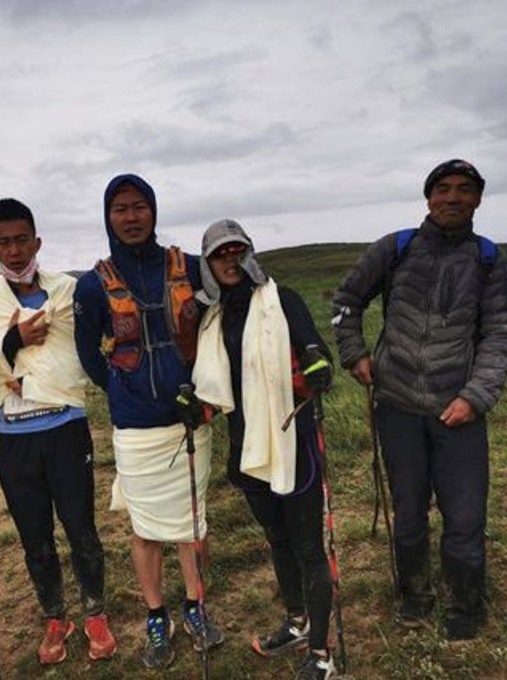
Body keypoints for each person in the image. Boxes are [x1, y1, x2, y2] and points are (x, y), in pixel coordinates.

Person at [331, 159, 507, 640]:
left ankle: (465, 601)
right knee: (409, 509)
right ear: (428, 197)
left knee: (465, 512)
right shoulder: (395, 248)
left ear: (478, 199)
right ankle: (414, 593)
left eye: (464, 190)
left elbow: (499, 335)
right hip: (395, 407)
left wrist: (476, 397)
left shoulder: (490, 261)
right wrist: (354, 354)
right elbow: (347, 301)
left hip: (458, 413)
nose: (452, 197)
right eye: (443, 189)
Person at [73, 173, 224, 669]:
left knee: (193, 523)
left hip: (189, 417)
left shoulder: (191, 266)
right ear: (108, 217)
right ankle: (156, 613)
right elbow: (88, 355)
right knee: (146, 529)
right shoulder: (94, 284)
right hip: (136, 425)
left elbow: (227, 311)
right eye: (120, 209)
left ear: (153, 211)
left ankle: (196, 605)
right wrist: (123, 388)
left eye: (139, 206)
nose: (131, 217)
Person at [188, 219, 339, 680]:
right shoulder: (210, 318)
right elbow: (209, 380)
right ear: (209, 264)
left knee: (309, 547)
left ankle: (321, 654)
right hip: (246, 446)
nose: (231, 260)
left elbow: (315, 349)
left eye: (238, 250)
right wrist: (191, 400)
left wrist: (316, 363)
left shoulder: (282, 300)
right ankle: (297, 623)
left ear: (250, 253)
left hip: (294, 441)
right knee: (278, 540)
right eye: (220, 254)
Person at [0, 198, 116, 665]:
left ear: (37, 241)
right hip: (16, 437)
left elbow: (93, 338)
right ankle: (56, 615)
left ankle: (95, 611)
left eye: (21, 240)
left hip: (66, 428)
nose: (14, 251)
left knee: (81, 529)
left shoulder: (68, 292)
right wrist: (13, 341)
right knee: (35, 538)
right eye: (4, 242)